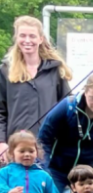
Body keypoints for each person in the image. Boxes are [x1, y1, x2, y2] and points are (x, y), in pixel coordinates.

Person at [0, 16, 72, 160]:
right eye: (22, 35)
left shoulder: (55, 71)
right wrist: (1, 142)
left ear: (40, 39)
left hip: (48, 148)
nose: (27, 40)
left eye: (32, 36)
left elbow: (69, 108)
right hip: (15, 149)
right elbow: (0, 112)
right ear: (16, 38)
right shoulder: (5, 71)